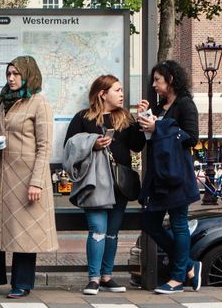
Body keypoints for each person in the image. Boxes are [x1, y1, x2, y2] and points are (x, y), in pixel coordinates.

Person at [0, 56, 57, 299]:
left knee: (25, 230)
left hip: (27, 176)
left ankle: (23, 282)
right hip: (1, 173)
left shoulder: (39, 102)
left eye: (16, 74)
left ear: (28, 74)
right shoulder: (2, 100)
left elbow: (45, 146)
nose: (12, 78)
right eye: (9, 74)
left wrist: (36, 182)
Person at [64, 75, 145, 295]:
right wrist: (93, 144)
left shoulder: (125, 118)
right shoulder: (82, 118)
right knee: (97, 230)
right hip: (95, 184)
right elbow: (69, 148)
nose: (121, 94)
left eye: (121, 90)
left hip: (119, 184)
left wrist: (140, 121)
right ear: (102, 93)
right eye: (117, 90)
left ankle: (107, 276)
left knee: (112, 233)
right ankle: (94, 278)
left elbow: (137, 146)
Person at [136, 60, 203, 294]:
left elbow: (191, 137)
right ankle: (188, 265)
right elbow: (148, 138)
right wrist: (144, 119)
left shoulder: (186, 105)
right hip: (158, 175)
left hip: (176, 174)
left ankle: (178, 279)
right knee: (149, 222)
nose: (154, 85)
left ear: (171, 80)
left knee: (179, 223)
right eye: (153, 80)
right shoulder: (159, 107)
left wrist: (159, 128)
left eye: (158, 80)